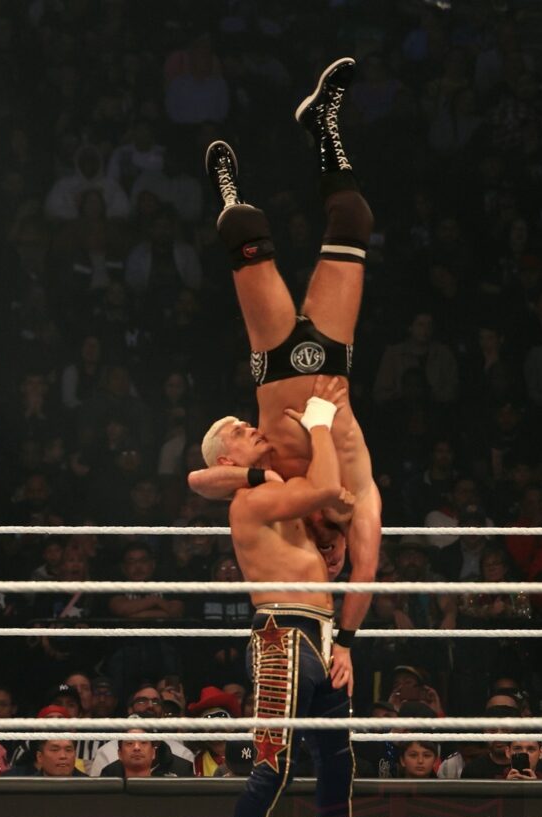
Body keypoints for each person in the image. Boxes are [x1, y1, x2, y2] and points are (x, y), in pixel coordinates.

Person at [190, 58, 381, 694]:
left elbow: (201, 479)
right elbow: (369, 567)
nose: (328, 553)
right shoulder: (355, 493)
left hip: (275, 364)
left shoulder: (272, 488)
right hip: (332, 354)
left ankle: (225, 191)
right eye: (333, 556)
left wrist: (257, 470)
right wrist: (347, 642)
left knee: (245, 231)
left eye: (322, 555)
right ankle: (323, 126)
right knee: (353, 219)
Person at [195, 375, 403, 817]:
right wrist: (317, 419)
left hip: (321, 635)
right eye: (241, 432)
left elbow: (332, 506)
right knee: (272, 763)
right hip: (280, 635)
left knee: (338, 762)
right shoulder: (252, 500)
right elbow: (324, 487)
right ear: (226, 457)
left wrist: (344, 643)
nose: (253, 428)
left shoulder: (274, 497)